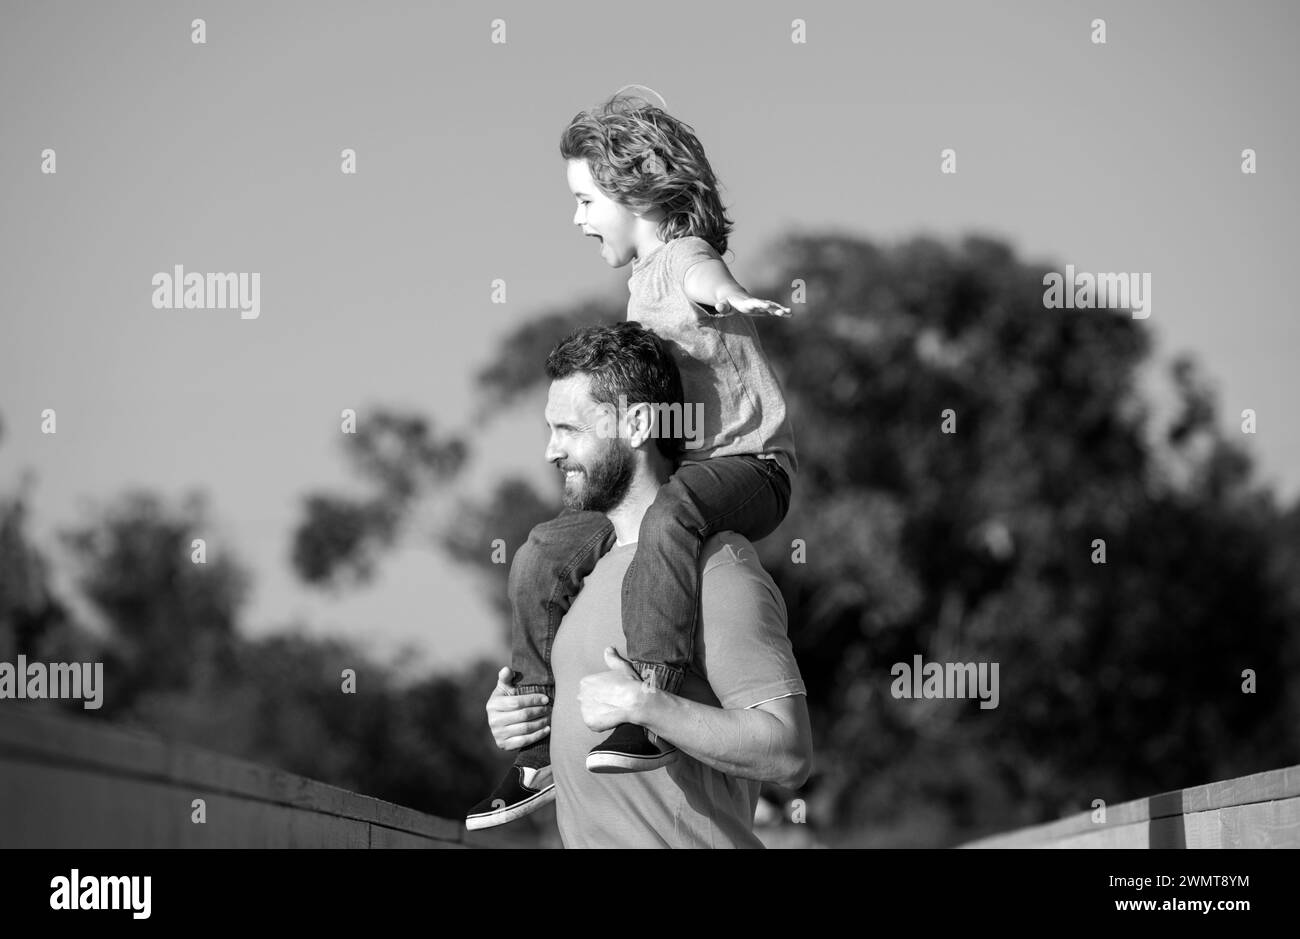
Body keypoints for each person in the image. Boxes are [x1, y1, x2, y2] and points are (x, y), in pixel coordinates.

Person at [466, 92, 799, 829]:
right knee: (541, 552)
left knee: (673, 515)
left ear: (632, 190)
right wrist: (523, 714)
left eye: (586, 199)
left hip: (751, 465)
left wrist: (738, 296)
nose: (577, 217)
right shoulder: (635, 290)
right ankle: (530, 745)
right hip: (688, 477)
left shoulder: (678, 258)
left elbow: (705, 282)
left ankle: (648, 689)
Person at [473, 322, 811, 847]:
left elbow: (789, 753)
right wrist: (525, 720)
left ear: (636, 425)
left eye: (570, 430)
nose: (551, 451)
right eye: (550, 429)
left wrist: (650, 708)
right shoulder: (573, 576)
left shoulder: (717, 568)